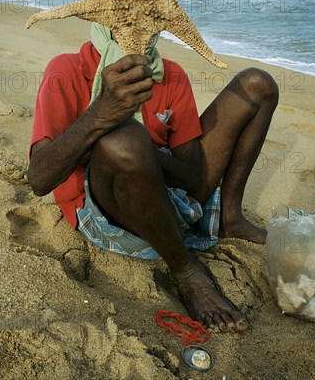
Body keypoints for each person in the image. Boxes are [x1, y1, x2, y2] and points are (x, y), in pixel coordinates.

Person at [28, 18, 278, 333]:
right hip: (107, 209)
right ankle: (185, 269)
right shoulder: (65, 70)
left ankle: (229, 216)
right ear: (102, 19)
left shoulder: (170, 75)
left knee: (258, 84)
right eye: (125, 18)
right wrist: (103, 113)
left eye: (149, 19)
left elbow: (191, 177)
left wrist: (147, 154)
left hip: (173, 196)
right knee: (123, 138)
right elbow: (38, 179)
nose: (137, 29)